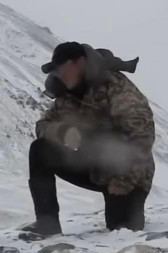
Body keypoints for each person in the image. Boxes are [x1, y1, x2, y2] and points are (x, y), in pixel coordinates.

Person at [23, 42, 155, 236]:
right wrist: (62, 132)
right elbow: (42, 126)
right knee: (40, 150)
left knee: (122, 231)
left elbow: (142, 135)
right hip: (93, 166)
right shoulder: (65, 96)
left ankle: (128, 209)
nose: (58, 73)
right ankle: (47, 225)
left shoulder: (116, 87)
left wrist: (125, 180)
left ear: (80, 62)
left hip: (130, 173)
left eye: (62, 66)